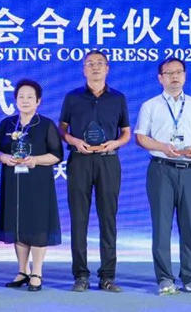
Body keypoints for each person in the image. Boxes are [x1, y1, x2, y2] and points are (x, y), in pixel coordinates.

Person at [134, 58, 191, 295]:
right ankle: (165, 278)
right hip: (161, 169)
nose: (175, 77)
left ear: (185, 76)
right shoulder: (150, 105)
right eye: (169, 73)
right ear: (160, 78)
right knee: (161, 226)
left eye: (179, 72)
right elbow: (141, 137)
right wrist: (162, 146)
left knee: (190, 226)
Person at [59, 50, 130, 293]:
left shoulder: (118, 98)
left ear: (107, 68)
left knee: (108, 219)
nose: (95, 67)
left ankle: (107, 276)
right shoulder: (72, 97)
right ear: (84, 69)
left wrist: (115, 143)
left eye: (100, 63)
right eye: (90, 63)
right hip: (80, 160)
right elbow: (62, 128)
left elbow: (126, 132)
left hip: (108, 161)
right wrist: (74, 141)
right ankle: (80, 275)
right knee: (79, 219)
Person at [0, 79, 63, 292]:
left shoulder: (46, 124)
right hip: (13, 181)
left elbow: (57, 155)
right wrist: (3, 157)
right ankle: (22, 271)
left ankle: (37, 272)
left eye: (30, 97)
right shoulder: (7, 124)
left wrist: (35, 160)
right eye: (21, 96)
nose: (25, 100)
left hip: (38, 182)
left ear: (38, 101)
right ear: (15, 100)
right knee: (18, 224)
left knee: (37, 225)